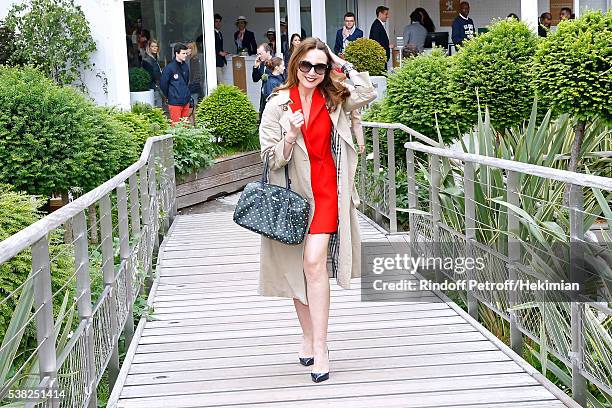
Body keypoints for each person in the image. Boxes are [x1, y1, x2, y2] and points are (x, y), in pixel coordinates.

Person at [258, 37, 376, 383]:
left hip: (328, 193)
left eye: (319, 66)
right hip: (294, 196)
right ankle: (308, 336)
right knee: (299, 270)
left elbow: (367, 92)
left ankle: (321, 346)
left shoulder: (334, 99)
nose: (312, 72)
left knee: (313, 263)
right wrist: (291, 136)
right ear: (295, 64)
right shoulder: (278, 104)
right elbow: (267, 158)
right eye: (306, 65)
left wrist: (341, 61)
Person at [160, 43, 191, 125]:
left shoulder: (185, 66)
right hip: (174, 102)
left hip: (185, 100)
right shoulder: (169, 68)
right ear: (177, 53)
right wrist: (170, 95)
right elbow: (163, 85)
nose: (185, 55)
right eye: (183, 53)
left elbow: (186, 81)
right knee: (176, 126)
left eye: (186, 53)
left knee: (186, 126)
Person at [252, 42, 273, 115]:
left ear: (268, 52)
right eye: (258, 54)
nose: (259, 56)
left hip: (273, 94)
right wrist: (255, 67)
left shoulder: (275, 62)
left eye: (261, 54)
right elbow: (255, 79)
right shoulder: (261, 63)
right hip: (264, 95)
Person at [141, 39, 162, 107]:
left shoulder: (154, 59)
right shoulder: (147, 60)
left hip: (156, 87)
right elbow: (151, 76)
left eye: (156, 46)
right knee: (157, 107)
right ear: (149, 47)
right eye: (153, 46)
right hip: (154, 88)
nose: (155, 48)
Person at [214, 13, 229, 85]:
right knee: (221, 83)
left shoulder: (219, 33)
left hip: (221, 61)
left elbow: (219, 46)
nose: (218, 23)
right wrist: (220, 52)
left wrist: (223, 52)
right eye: (216, 21)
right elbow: (213, 46)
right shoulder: (212, 33)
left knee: (222, 81)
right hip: (216, 61)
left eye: (219, 21)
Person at [186, 42, 203, 107]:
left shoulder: (194, 59)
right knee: (191, 104)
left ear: (192, 49)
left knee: (192, 105)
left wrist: (192, 83)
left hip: (193, 85)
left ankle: (193, 117)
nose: (187, 50)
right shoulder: (189, 59)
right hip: (191, 84)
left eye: (189, 48)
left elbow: (196, 74)